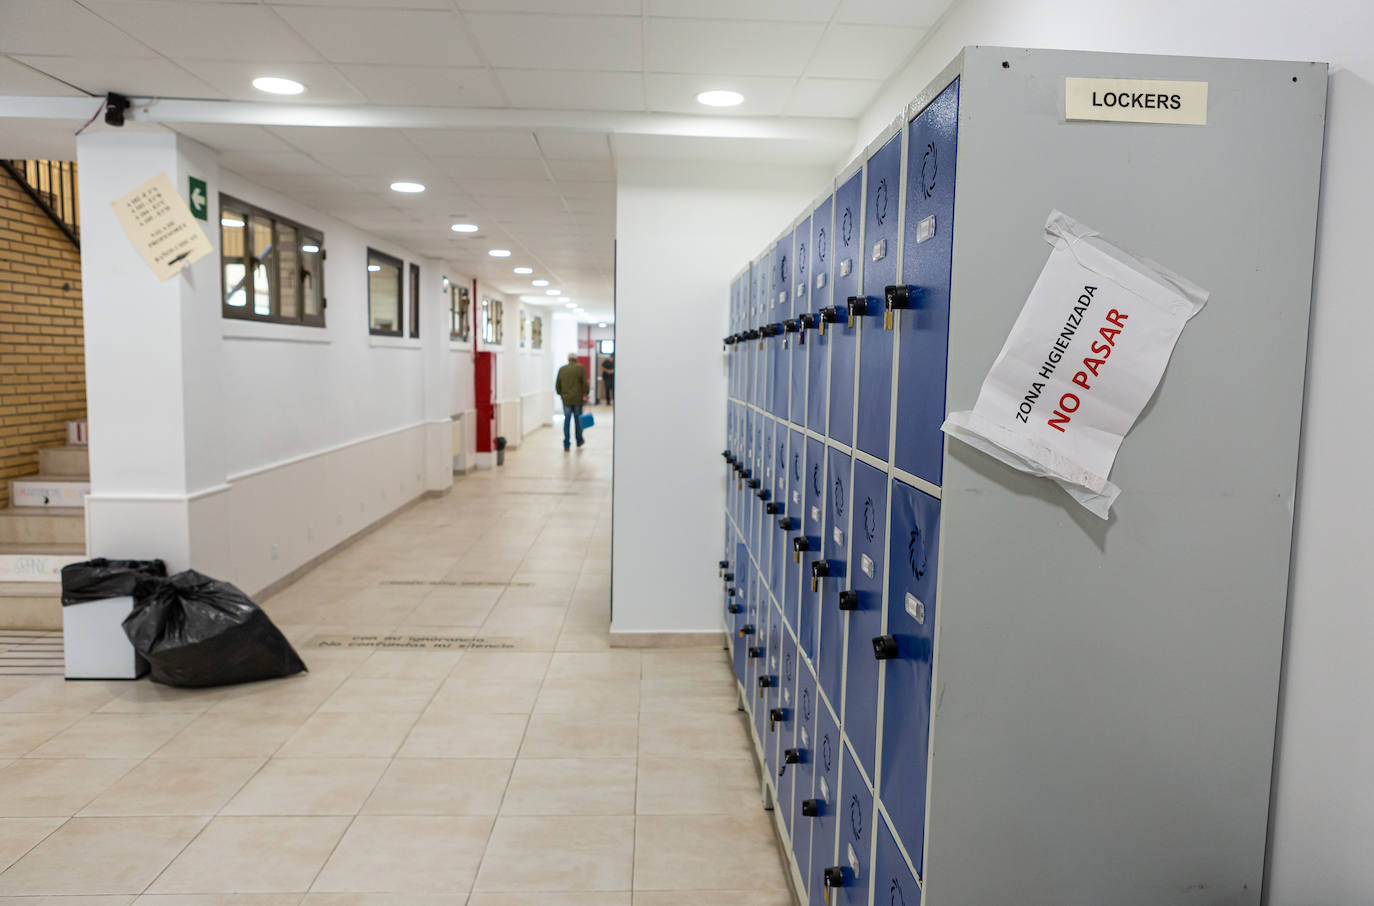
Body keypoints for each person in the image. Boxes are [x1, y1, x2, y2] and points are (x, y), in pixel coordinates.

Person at [555, 352, 589, 450]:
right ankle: (579, 440)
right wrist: (586, 393)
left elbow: (558, 384)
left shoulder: (562, 369)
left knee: (567, 420)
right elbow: (585, 383)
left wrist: (561, 394)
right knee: (578, 420)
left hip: (566, 400)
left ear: (568, 359)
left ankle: (566, 444)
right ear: (576, 359)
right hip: (578, 399)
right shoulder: (580, 368)